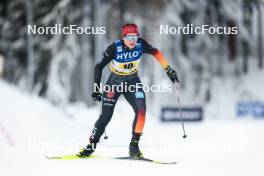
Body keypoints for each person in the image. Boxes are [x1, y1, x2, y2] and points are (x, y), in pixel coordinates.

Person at [78, 23, 179, 157]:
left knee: (141, 112)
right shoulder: (114, 48)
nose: (132, 40)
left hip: (132, 81)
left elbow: (156, 52)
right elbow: (98, 67)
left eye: (135, 37)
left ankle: (134, 147)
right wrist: (96, 89)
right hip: (114, 83)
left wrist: (168, 69)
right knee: (105, 117)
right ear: (123, 37)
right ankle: (91, 146)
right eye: (129, 37)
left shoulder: (140, 44)